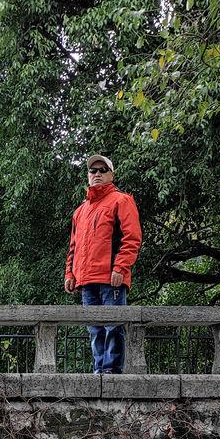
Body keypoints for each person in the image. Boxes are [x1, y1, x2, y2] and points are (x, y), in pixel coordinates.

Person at [64, 155, 142, 374]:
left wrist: (120, 267)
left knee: (113, 326)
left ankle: (111, 373)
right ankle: (99, 372)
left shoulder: (121, 200)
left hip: (111, 278)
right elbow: (73, 246)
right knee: (94, 328)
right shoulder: (80, 211)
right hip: (86, 279)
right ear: (88, 176)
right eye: (92, 171)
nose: (96, 174)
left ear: (111, 174)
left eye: (102, 170)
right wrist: (69, 273)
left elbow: (132, 238)